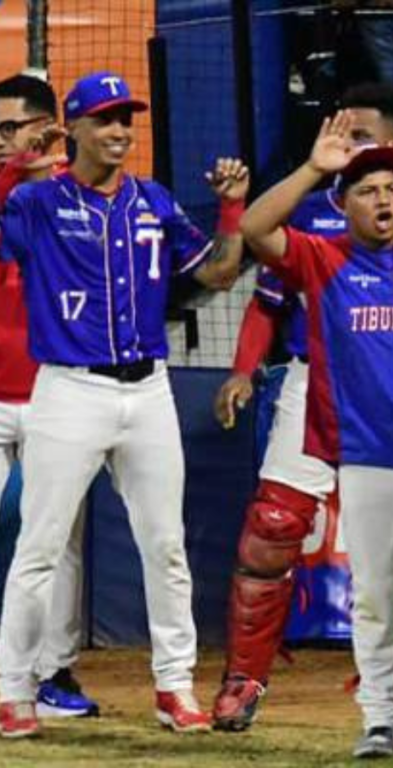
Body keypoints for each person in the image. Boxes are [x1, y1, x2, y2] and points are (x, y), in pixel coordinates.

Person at [210, 81, 393, 737]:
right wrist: (244, 369)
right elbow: (269, 299)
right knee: (275, 524)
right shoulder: (313, 214)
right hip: (319, 384)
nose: (348, 141)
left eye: (360, 132)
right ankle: (243, 680)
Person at [0, 70, 248, 738]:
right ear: (72, 128)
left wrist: (229, 209)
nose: (118, 131)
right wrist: (16, 167)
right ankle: (12, 691)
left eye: (125, 119)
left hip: (149, 389)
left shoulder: (155, 200)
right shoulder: (40, 203)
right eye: (104, 119)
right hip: (70, 387)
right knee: (41, 546)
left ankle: (175, 687)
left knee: (166, 546)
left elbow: (220, 274)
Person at [0, 72, 100, 720]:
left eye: (12, 129)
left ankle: (50, 673)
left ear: (44, 128)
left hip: (58, 392)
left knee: (57, 537)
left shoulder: (84, 196)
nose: (4, 142)